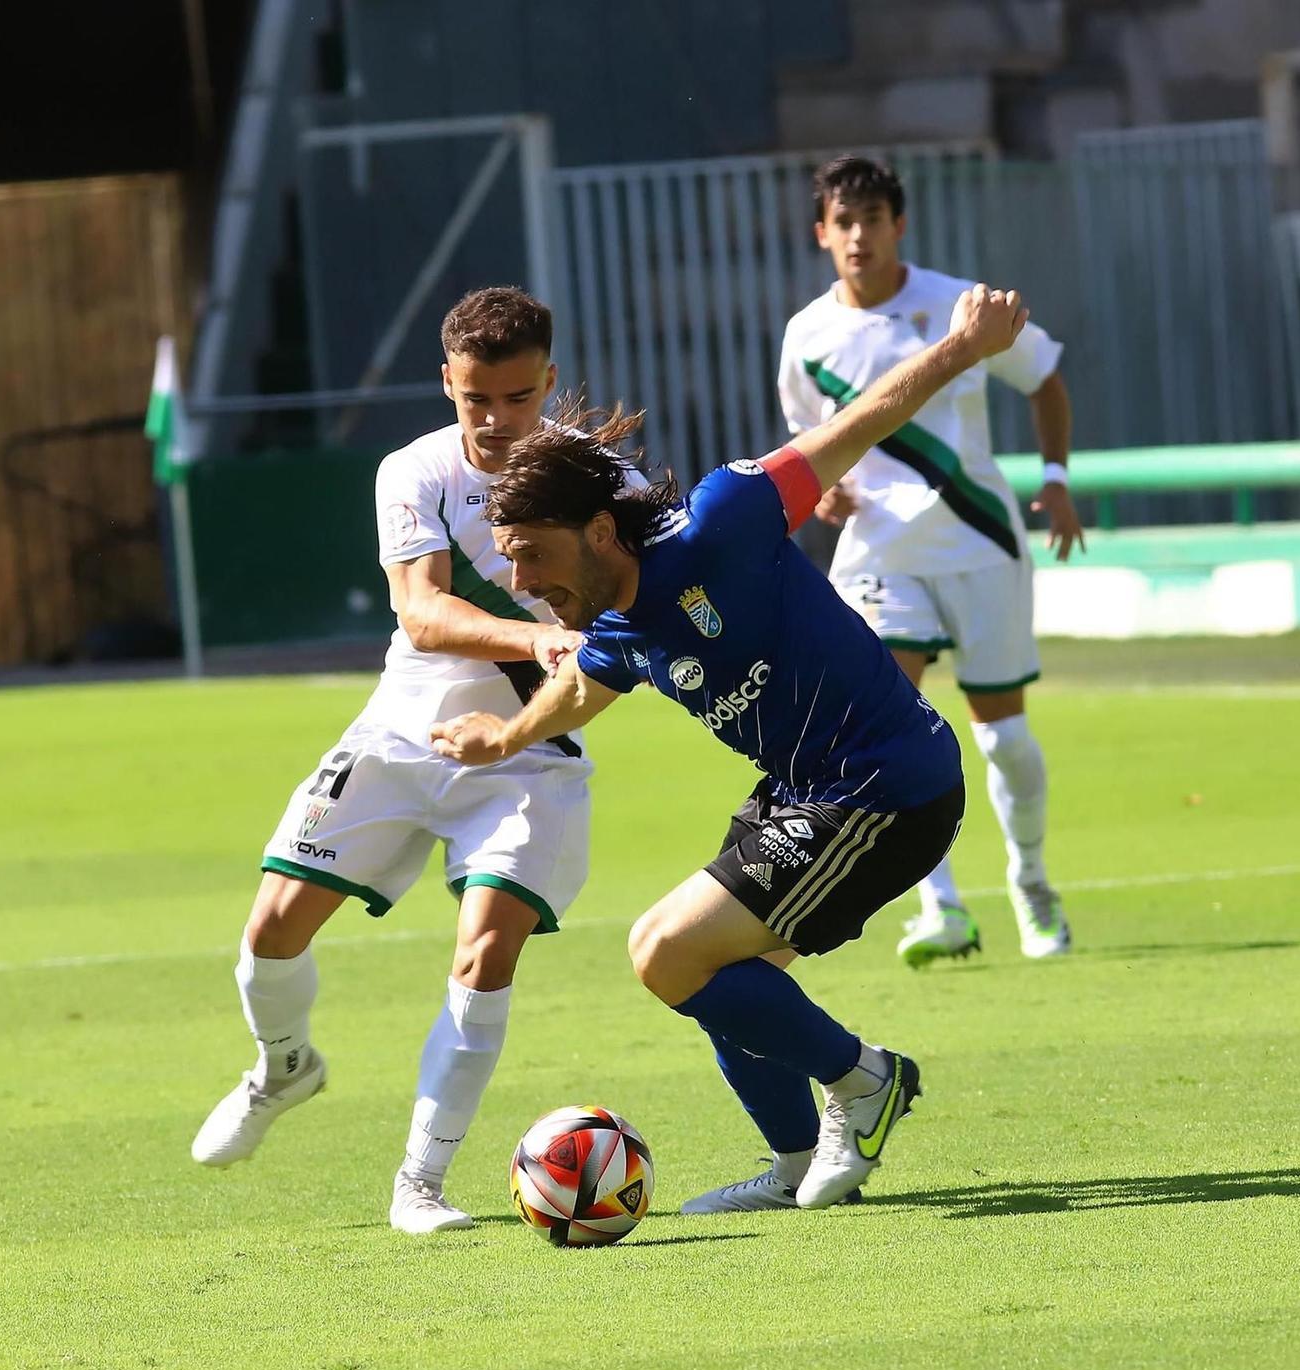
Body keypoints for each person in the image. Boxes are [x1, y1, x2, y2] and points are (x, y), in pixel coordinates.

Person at [432, 282, 1031, 1214]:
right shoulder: (617, 626)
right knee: (714, 976)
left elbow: (860, 422)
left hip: (888, 783)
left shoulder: (724, 518)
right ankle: (795, 1160)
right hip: (808, 788)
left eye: (532, 554)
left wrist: (961, 348)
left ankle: (867, 1082)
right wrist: (505, 734)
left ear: (598, 532)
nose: (521, 581)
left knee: (665, 950)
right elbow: (584, 686)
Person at [189, 287, 590, 1235]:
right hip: (399, 737)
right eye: (475, 400)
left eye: (519, 399)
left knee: (486, 950)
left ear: (550, 382)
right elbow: (424, 613)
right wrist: (535, 642)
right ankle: (284, 1064)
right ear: (446, 380)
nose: (496, 421)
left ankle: (421, 1181)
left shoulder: (596, 481)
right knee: (271, 934)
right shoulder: (411, 470)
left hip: (528, 759)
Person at [777, 155, 1083, 967]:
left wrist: (1055, 480)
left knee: (1004, 739)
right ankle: (939, 906)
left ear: (898, 225)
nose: (858, 235)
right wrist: (826, 498)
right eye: (843, 221)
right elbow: (812, 452)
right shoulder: (808, 337)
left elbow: (1045, 375)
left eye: (873, 218)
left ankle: (1032, 882)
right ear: (821, 234)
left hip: (979, 539)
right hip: (880, 553)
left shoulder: (959, 306)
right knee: (887, 733)